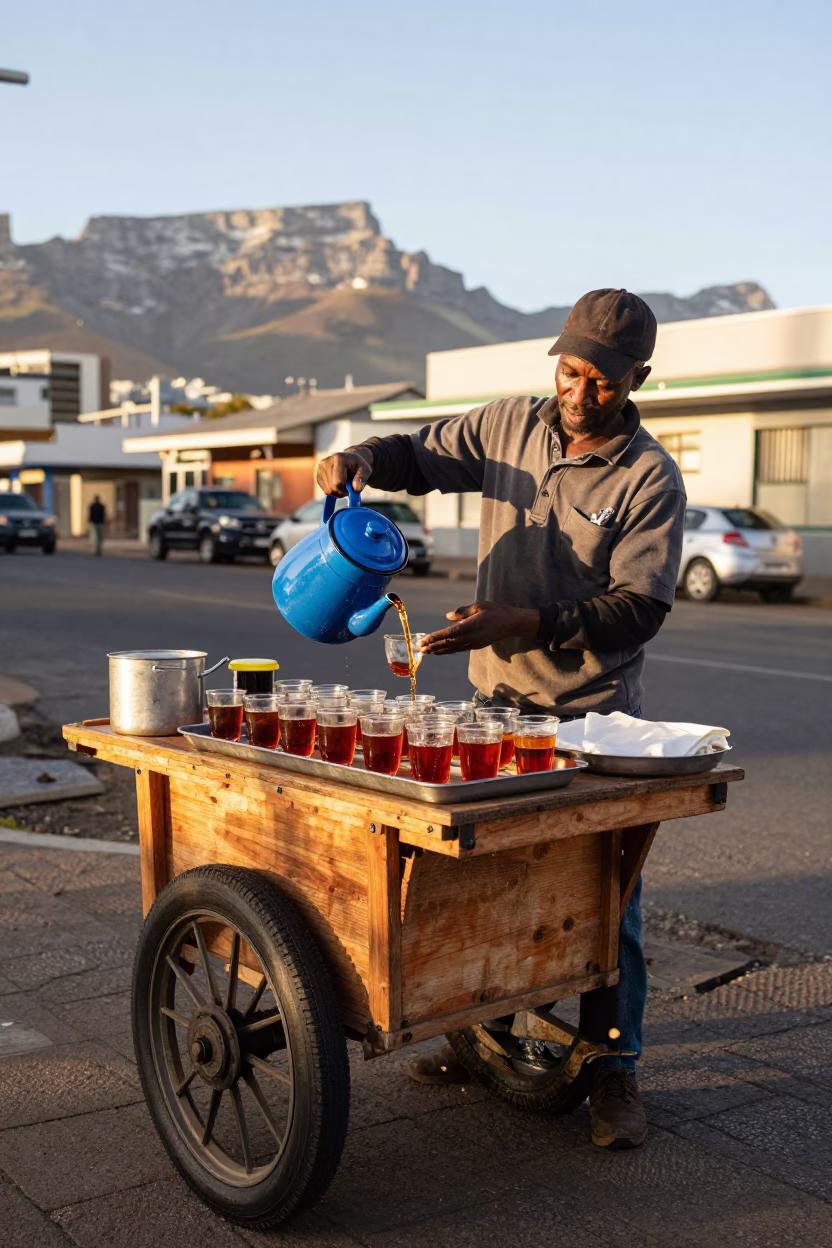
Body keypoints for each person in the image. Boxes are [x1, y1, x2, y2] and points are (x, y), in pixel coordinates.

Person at [317, 288, 686, 1151]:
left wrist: (525, 623)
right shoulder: (507, 426)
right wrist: (363, 456)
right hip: (494, 709)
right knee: (489, 885)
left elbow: (639, 610)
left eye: (602, 379)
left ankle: (616, 1069)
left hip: (588, 722)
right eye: (569, 370)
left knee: (603, 899)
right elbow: (417, 453)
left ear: (639, 378)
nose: (579, 390)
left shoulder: (649, 476)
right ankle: (480, 1038)